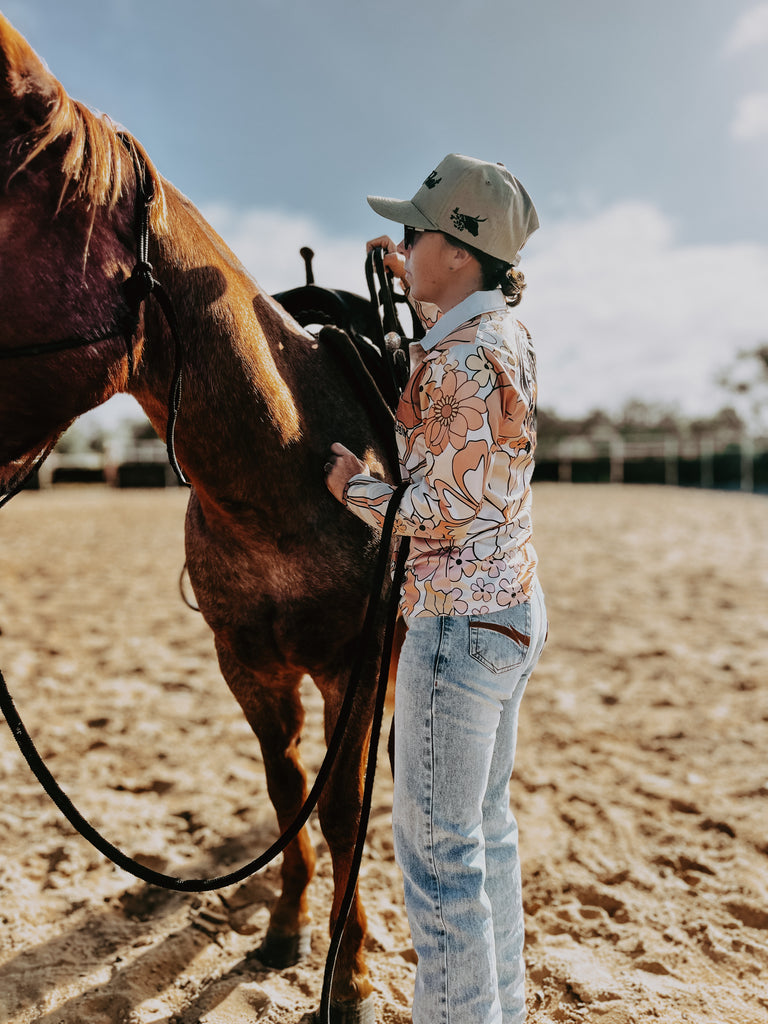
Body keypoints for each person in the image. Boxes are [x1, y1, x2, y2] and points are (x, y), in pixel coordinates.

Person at [324, 153, 548, 1024]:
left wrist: (354, 490)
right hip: (512, 612)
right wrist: (412, 283)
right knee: (485, 834)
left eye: (419, 233)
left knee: (437, 859)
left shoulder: (459, 359)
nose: (407, 242)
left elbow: (438, 509)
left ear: (458, 250)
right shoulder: (505, 338)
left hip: (455, 629)